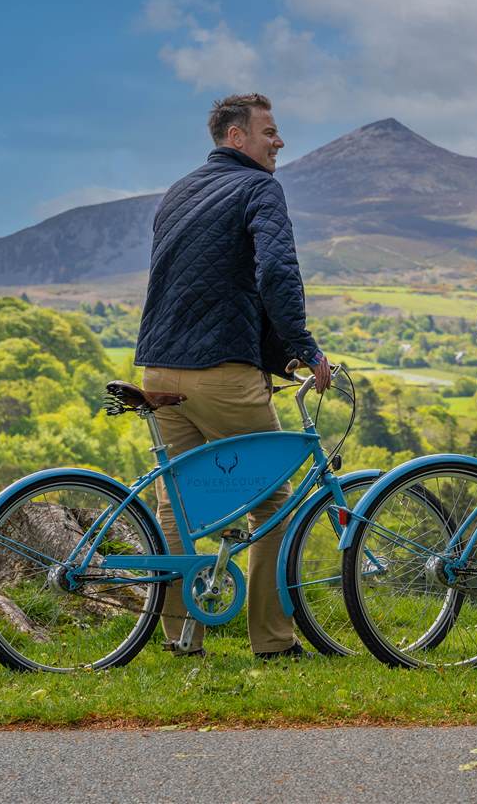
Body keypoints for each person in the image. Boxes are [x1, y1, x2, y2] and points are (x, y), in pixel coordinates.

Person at [134, 92, 331, 660]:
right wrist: (304, 348)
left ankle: (179, 636)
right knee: (275, 499)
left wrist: (274, 354)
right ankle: (271, 641)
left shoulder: (179, 191)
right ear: (236, 137)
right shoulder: (259, 188)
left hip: (158, 364)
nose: (280, 141)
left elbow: (205, 281)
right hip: (220, 370)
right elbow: (276, 272)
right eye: (270, 131)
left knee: (177, 500)